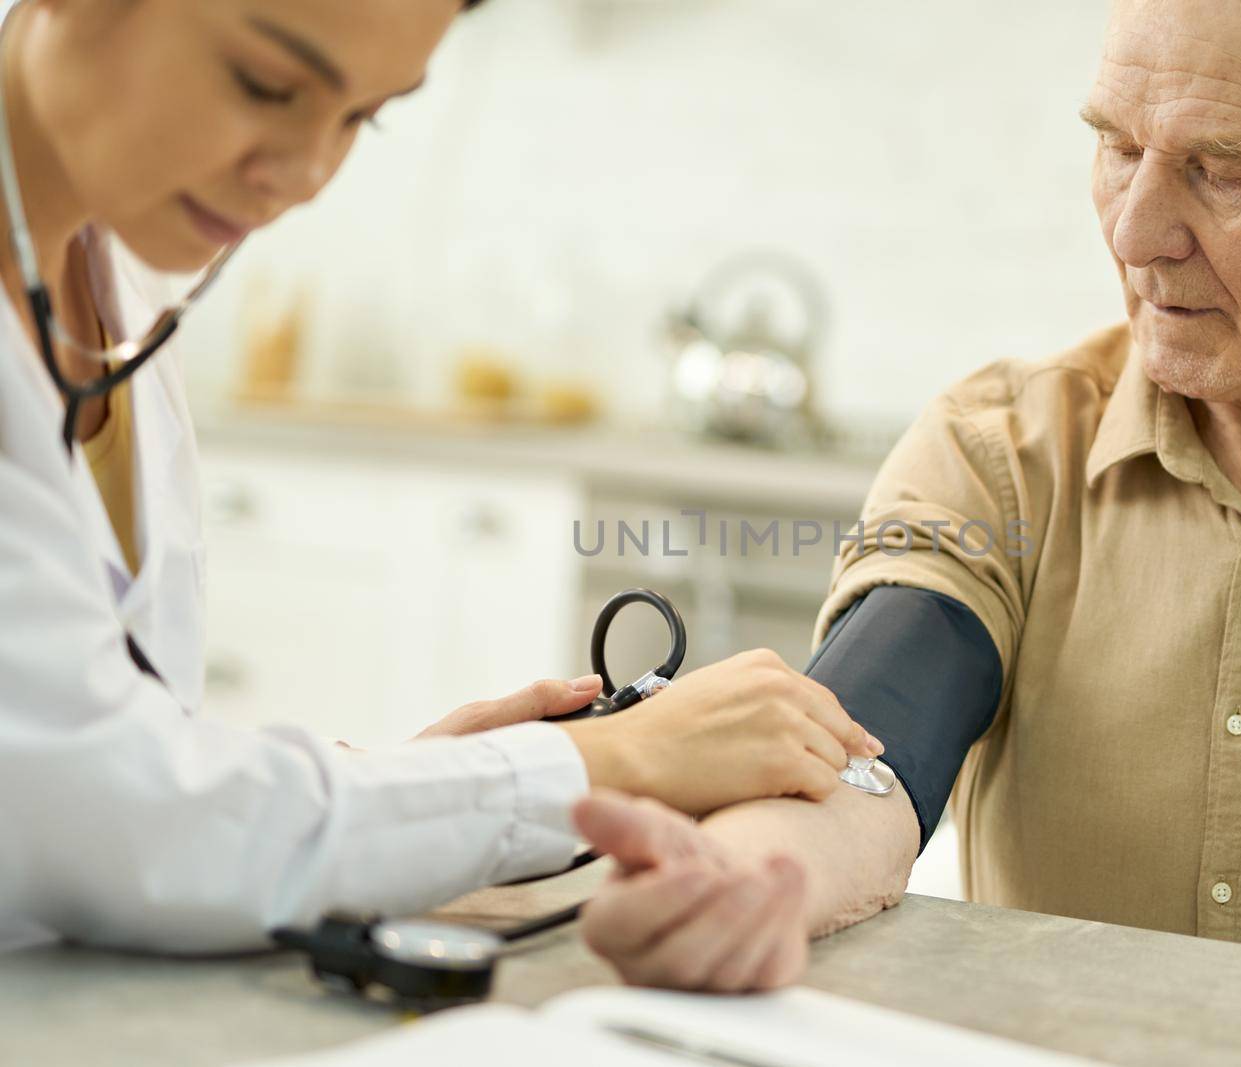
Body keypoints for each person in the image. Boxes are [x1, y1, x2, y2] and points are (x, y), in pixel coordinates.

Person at [578, 0, 1241, 1039]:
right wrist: (750, 878)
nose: (1134, 230)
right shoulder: (999, 450)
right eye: (1116, 147)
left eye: (1220, 169)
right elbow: (870, 744)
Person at [0, 0, 879, 962]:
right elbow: (114, 814)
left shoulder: (107, 290)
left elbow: (117, 754)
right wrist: (616, 759)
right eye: (266, 84)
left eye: (360, 116)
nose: (302, 177)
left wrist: (409, 788)